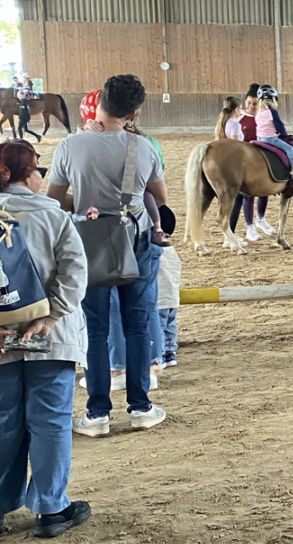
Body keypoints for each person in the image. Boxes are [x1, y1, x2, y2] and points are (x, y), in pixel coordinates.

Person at [47, 74, 169, 437]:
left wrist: (85, 204)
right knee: (136, 323)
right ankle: (141, 407)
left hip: (89, 241)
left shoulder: (70, 146)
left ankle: (97, 412)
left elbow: (55, 199)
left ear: (99, 99)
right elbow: (159, 198)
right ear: (133, 113)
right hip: (137, 239)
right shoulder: (143, 147)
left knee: (96, 329)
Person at [0, 139, 92, 538]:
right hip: (49, 339)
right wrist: (51, 315)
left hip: (2, 341)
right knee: (50, 420)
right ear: (28, 174)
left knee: (4, 422)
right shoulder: (53, 217)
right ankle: (51, 508)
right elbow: (74, 274)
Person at [230, 85, 273, 242]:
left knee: (265, 190)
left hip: (262, 160)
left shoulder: (264, 117)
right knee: (249, 194)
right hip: (245, 161)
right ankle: (249, 227)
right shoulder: (239, 119)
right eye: (248, 103)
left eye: (254, 104)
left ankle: (261, 219)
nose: (250, 106)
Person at [255, 85, 293, 178]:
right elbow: (279, 125)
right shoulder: (272, 111)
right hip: (270, 139)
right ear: (274, 99)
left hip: (259, 137)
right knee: (289, 149)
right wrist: (286, 135)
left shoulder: (259, 111)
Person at [156, 209, 181, 369]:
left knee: (158, 327)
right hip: (173, 297)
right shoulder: (172, 251)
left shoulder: (155, 252)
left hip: (159, 298)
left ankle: (160, 354)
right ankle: (170, 353)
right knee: (171, 325)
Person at [15, 73, 41, 143]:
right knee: (26, 129)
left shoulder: (28, 84)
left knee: (19, 128)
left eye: (23, 77)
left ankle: (21, 140)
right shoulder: (23, 100)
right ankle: (37, 136)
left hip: (24, 116)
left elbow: (27, 90)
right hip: (24, 115)